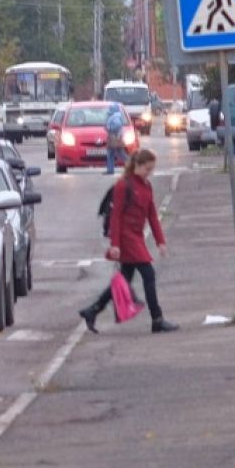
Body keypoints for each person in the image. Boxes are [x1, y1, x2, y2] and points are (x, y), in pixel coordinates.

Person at [79, 148, 178, 334]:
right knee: (148, 274)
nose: (150, 173)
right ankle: (157, 319)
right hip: (125, 237)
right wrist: (115, 244)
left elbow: (152, 216)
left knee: (125, 278)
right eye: (147, 169)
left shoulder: (146, 186)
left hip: (136, 236)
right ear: (137, 166)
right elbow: (115, 217)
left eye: (152, 169)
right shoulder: (123, 186)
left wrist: (160, 241)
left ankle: (92, 310)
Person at [103, 98, 129, 174]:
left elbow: (117, 125)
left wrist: (109, 128)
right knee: (115, 154)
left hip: (115, 138)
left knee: (118, 154)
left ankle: (132, 166)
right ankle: (110, 170)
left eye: (111, 108)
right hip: (115, 138)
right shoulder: (116, 115)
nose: (109, 109)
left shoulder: (115, 116)